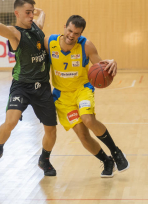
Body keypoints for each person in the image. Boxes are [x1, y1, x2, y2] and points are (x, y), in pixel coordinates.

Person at [0, 0, 58, 177]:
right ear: (17, 13)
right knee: (11, 121)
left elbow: (41, 17)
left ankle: (44, 159)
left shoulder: (37, 28)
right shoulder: (14, 33)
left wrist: (41, 12)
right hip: (22, 86)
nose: (31, 16)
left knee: (51, 131)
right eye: (27, 12)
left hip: (42, 87)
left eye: (32, 12)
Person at [44, 15, 129, 177]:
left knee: (88, 119)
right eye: (69, 31)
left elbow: (103, 68)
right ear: (64, 27)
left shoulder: (86, 46)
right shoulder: (50, 42)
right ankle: (107, 161)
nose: (71, 35)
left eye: (76, 33)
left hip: (82, 90)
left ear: (81, 33)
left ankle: (116, 152)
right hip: (62, 97)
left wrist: (112, 63)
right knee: (82, 135)